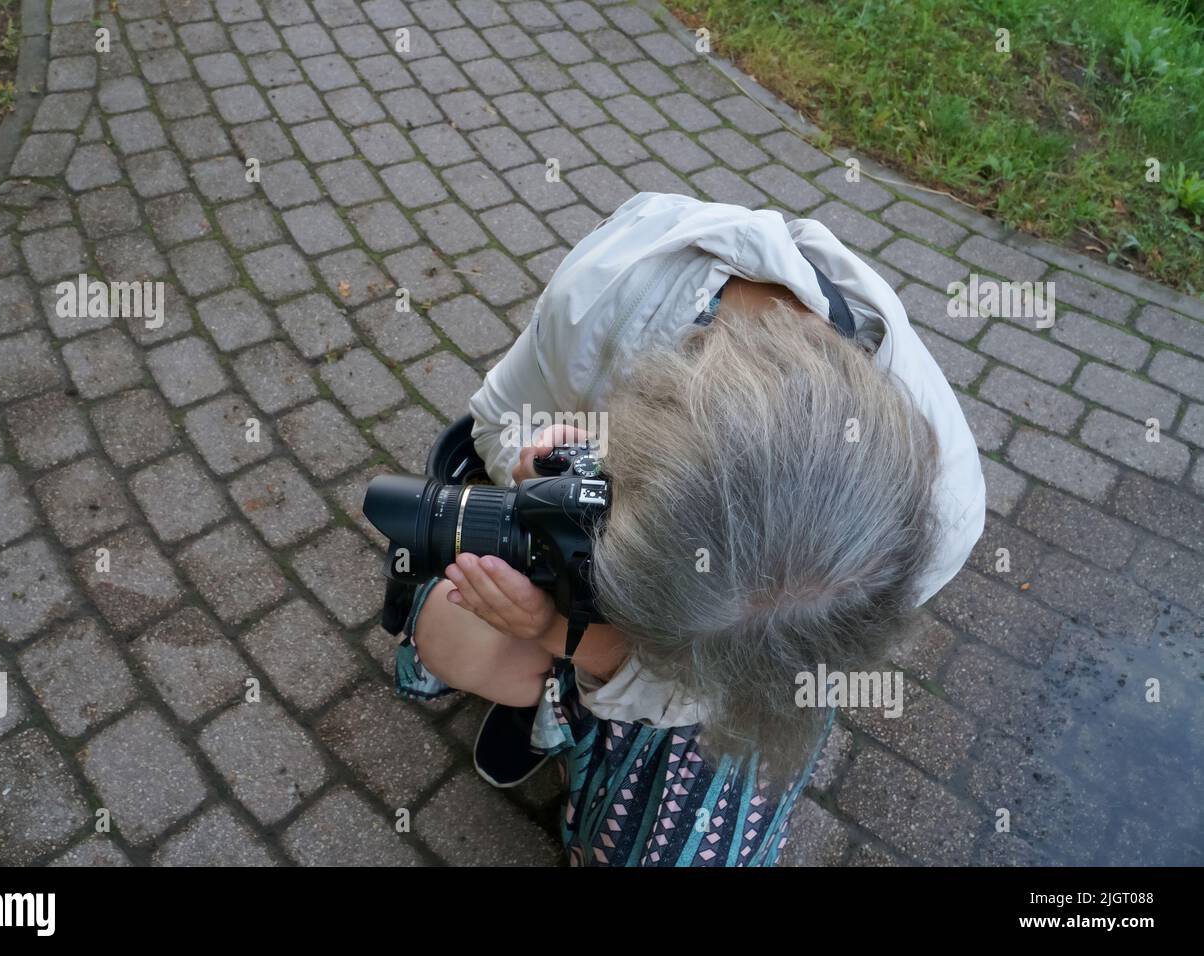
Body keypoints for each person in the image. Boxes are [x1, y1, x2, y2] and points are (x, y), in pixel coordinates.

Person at [394, 192, 985, 866]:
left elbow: (737, 684)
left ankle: (568, 715)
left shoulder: (940, 519)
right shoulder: (607, 293)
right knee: (451, 634)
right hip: (619, 588)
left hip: (724, 666)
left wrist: (563, 636)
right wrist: (531, 478)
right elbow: (499, 421)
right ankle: (566, 717)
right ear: (638, 444)